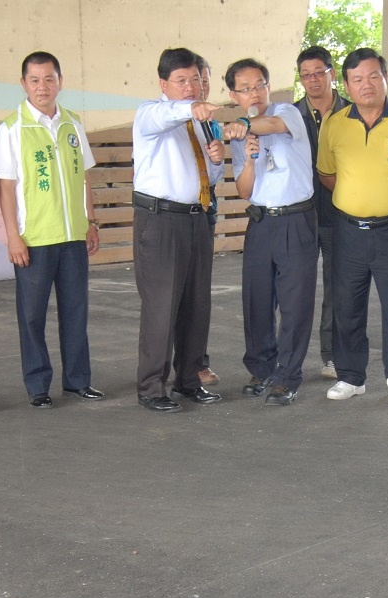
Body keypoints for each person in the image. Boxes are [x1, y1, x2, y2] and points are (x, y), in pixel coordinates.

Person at [316, 48, 388, 405]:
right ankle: (351, 377)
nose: (365, 85)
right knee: (346, 305)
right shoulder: (335, 124)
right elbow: (326, 173)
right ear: (347, 85)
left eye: (372, 77)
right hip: (348, 230)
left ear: (385, 78)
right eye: (357, 79)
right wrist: (357, 199)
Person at [0, 51, 103, 410]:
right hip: (34, 240)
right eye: (35, 80)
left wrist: (90, 220)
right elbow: (6, 188)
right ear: (23, 84)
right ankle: (38, 385)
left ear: (60, 81)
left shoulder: (72, 123)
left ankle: (78, 381)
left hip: (72, 236)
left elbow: (84, 175)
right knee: (32, 316)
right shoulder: (12, 128)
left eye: (49, 79)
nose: (43, 86)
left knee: (75, 311)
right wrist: (13, 236)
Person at [132, 48, 226, 413]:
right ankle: (151, 387)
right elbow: (166, 114)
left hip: (197, 217)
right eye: (182, 80)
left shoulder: (200, 123)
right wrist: (191, 107)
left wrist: (216, 160)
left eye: (196, 80)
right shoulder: (150, 114)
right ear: (163, 84)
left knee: (196, 304)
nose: (191, 87)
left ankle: (188, 380)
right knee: (162, 306)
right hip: (161, 221)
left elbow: (208, 178)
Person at [221, 58, 316, 406]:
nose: (254, 93)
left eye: (259, 85)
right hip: (260, 222)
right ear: (233, 93)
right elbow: (244, 190)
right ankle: (261, 369)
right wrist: (248, 159)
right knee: (256, 300)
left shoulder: (287, 112)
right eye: (245, 89)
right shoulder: (238, 136)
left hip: (296, 221)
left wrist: (246, 123)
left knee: (294, 303)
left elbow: (272, 123)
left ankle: (288, 376)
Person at [294, 46, 350, 380]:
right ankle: (289, 357)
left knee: (338, 288)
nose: (313, 80)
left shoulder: (351, 112)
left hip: (340, 214)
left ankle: (331, 356)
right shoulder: (290, 115)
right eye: (306, 74)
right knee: (296, 289)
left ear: (331, 73)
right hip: (300, 214)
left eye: (319, 72)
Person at [194, 54, 221, 387]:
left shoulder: (212, 125)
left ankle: (198, 361)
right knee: (173, 294)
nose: (199, 86)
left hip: (204, 210)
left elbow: (215, 174)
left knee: (200, 291)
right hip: (170, 216)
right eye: (192, 80)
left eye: (204, 80)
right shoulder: (170, 119)